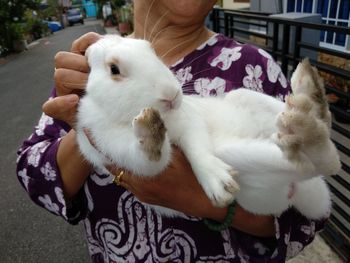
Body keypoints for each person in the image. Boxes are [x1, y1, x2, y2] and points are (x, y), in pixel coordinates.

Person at [17, 0, 328, 262]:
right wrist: (92, 118)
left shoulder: (253, 66)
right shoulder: (86, 76)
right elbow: (35, 176)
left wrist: (204, 201)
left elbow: (305, 214)